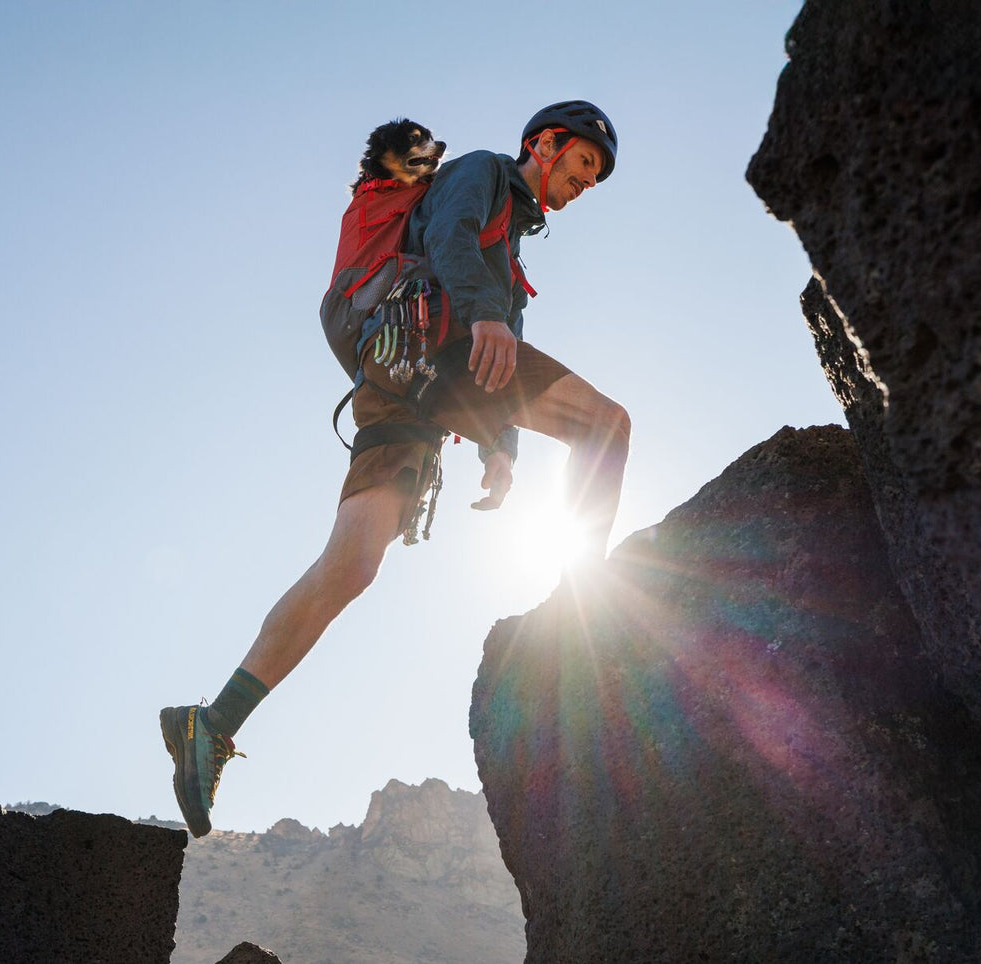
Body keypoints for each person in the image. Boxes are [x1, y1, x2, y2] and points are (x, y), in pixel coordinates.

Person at [160, 100, 630, 837]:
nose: (586, 182)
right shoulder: (480, 174)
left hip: (395, 367)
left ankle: (211, 721)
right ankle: (587, 619)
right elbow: (448, 238)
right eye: (582, 163)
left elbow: (493, 362)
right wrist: (483, 312)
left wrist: (497, 448)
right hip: (431, 344)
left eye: (595, 176)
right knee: (606, 426)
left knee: (349, 564)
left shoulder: (510, 252)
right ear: (543, 144)